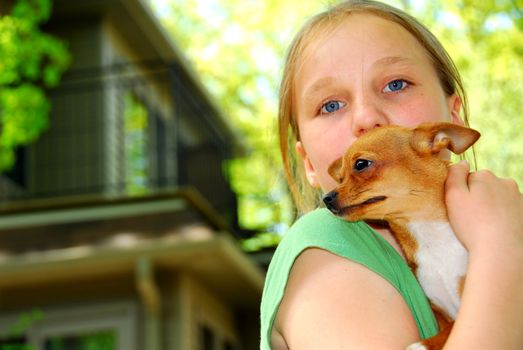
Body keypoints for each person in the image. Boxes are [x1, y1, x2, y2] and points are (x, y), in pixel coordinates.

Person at [260, 1, 523, 349]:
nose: (366, 118)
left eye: (396, 84)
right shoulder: (326, 244)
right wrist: (502, 247)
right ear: (309, 163)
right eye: (331, 105)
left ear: (453, 120)